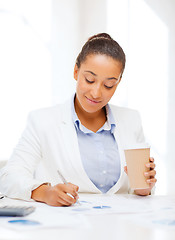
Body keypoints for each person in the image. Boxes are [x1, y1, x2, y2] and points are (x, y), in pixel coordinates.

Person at [0, 33, 157, 206]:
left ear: (118, 82)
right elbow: (9, 177)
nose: (96, 93)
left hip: (120, 227)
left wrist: (144, 188)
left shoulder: (131, 119)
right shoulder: (42, 121)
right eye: (89, 80)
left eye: (108, 85)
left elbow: (139, 189)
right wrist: (45, 192)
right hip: (67, 227)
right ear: (76, 72)